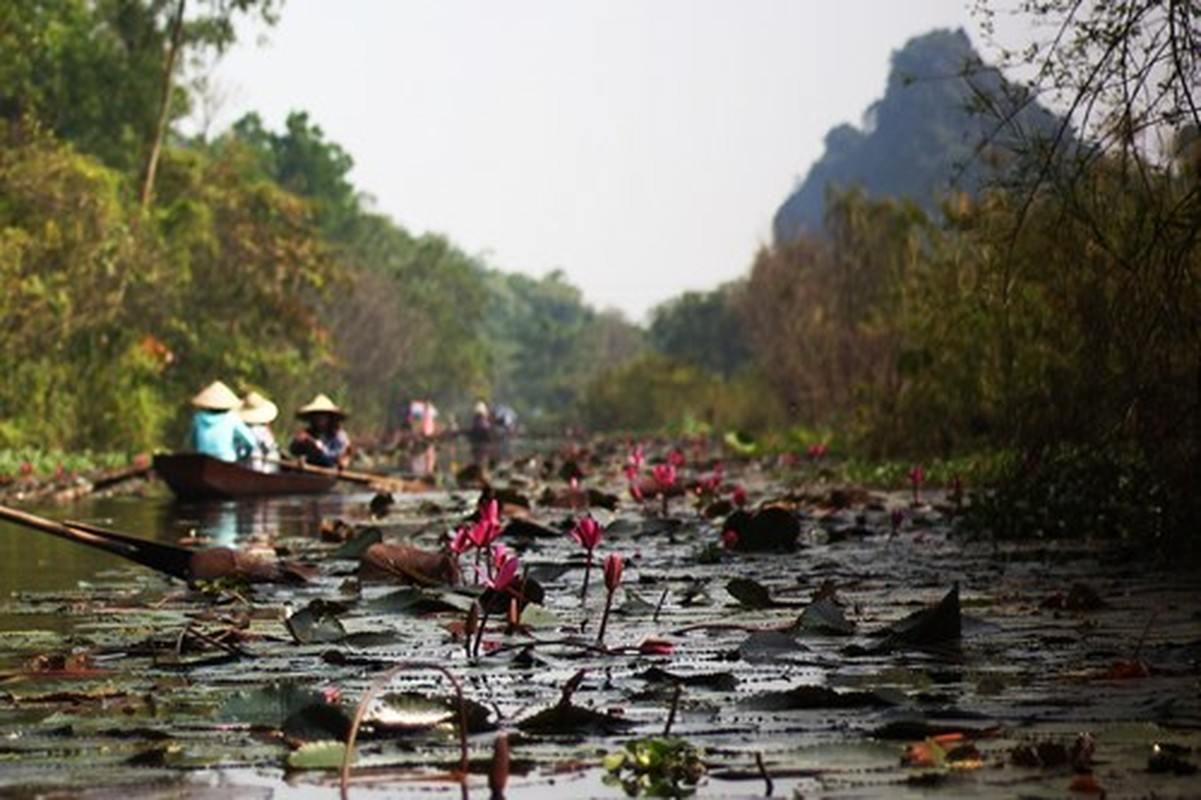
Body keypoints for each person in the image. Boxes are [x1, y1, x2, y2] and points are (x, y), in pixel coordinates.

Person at [189, 380, 256, 463]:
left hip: (203, 460)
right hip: (226, 461)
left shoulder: (198, 418)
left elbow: (192, 442)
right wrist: (244, 456)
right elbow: (250, 442)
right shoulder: (231, 418)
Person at [289, 393, 353, 468]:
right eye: (316, 415)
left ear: (330, 417)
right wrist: (298, 443)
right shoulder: (307, 434)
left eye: (323, 416)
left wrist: (318, 448)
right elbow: (293, 453)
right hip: (308, 473)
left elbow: (335, 458)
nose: (319, 419)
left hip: (330, 472)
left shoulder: (339, 436)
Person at [238, 390, 280, 472]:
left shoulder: (238, 428)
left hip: (241, 466)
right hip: (257, 468)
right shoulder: (261, 430)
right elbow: (271, 447)